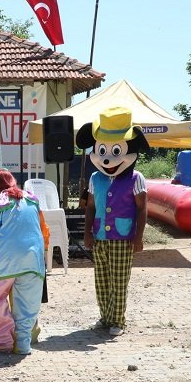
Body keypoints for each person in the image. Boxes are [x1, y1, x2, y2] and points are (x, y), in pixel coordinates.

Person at [76, 108, 150, 336]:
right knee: (101, 280)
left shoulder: (136, 178)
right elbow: (90, 207)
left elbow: (142, 208)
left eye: (116, 150)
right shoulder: (95, 178)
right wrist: (87, 234)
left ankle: (118, 320)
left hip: (123, 237)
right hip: (99, 237)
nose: (108, 157)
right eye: (102, 150)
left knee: (119, 281)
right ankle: (105, 317)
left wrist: (138, 237)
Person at [0, 169, 46, 355]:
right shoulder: (32, 198)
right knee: (27, 302)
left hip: (7, 258)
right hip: (34, 257)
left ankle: (2, 342)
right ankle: (23, 345)